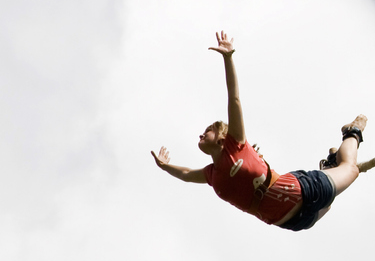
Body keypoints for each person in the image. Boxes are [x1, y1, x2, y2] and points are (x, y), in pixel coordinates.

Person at [151, 31, 364, 231]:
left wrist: (228, 59)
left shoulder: (236, 144)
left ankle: (351, 132)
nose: (201, 134)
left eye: (208, 131)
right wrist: (165, 166)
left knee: (351, 170)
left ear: (222, 138)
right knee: (328, 204)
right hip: (295, 222)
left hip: (304, 190)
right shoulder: (212, 175)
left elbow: (233, 97)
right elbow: (186, 174)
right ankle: (330, 166)